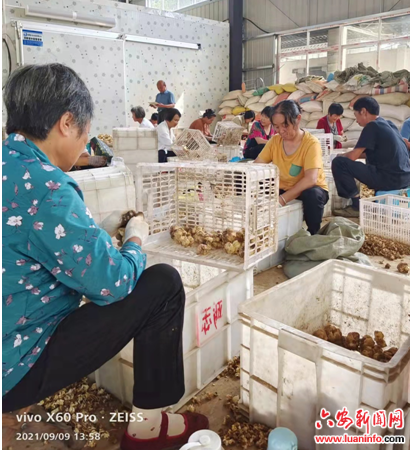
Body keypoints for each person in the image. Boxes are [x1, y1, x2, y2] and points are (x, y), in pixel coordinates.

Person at [2, 65, 208, 449]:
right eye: (86, 132)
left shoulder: (7, 163)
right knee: (163, 284)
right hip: (14, 364)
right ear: (67, 123)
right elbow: (113, 284)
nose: (86, 144)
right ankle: (148, 428)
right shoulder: (47, 186)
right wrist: (134, 239)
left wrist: (96, 232)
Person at [255, 100, 329, 235]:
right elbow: (257, 166)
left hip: (309, 189)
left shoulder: (311, 143)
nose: (281, 131)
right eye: (276, 127)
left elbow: (310, 179)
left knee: (312, 195)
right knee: (256, 184)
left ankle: (313, 233)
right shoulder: (275, 141)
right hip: (284, 187)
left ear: (298, 119)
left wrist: (282, 200)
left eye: (285, 125)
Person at [332, 96, 410, 217]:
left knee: (339, 162)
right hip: (405, 178)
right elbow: (375, 153)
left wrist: (340, 155)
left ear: (363, 111)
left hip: (389, 179)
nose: (356, 120)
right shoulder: (389, 124)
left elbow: (352, 157)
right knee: (365, 161)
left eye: (356, 115)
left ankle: (356, 206)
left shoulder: (372, 126)